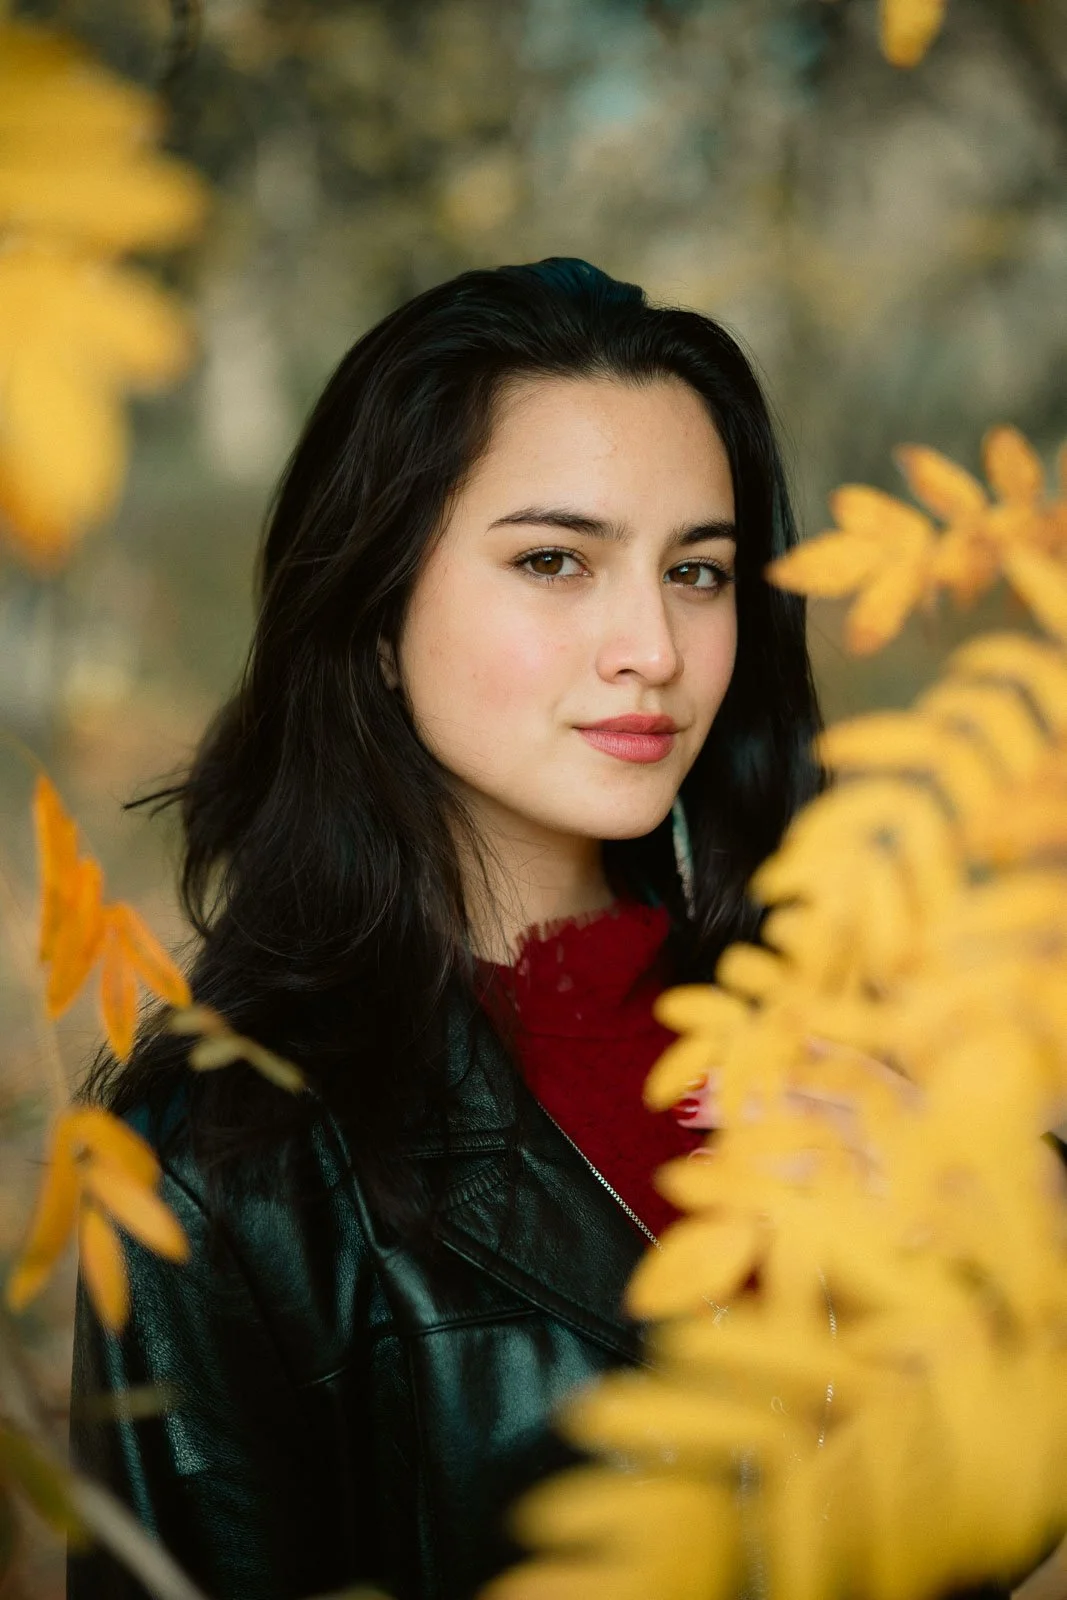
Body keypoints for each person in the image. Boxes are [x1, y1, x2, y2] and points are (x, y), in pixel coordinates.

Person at [67, 257, 821, 1600]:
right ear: (372, 614)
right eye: (553, 560)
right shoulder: (224, 1161)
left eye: (696, 572)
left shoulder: (839, 1017)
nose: (649, 642)